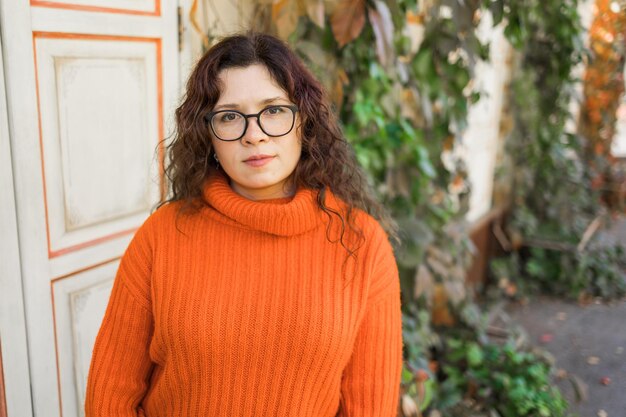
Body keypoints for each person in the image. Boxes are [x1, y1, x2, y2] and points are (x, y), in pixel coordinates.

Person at [84, 32, 403, 417]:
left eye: (273, 111)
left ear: (304, 120)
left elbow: (369, 408)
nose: (254, 135)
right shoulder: (162, 236)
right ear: (209, 134)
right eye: (230, 116)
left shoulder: (362, 244)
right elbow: (110, 397)